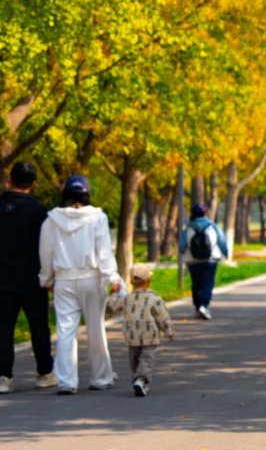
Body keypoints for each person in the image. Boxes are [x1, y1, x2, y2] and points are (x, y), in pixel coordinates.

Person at [39, 174, 123, 395]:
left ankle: (66, 381)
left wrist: (46, 279)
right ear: (87, 195)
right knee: (96, 329)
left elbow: (46, 251)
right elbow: (104, 252)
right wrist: (112, 277)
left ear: (65, 194)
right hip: (92, 280)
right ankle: (101, 378)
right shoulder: (98, 218)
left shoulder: (51, 220)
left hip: (64, 280)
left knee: (65, 331)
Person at [0, 162, 57, 394]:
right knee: (39, 326)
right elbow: (47, 248)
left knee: (3, 329)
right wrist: (50, 276)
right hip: (33, 280)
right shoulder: (39, 211)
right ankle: (44, 372)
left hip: (2, 281)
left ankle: (3, 376)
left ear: (10, 180)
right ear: (33, 184)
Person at [106, 263, 173, 397]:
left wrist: (114, 293)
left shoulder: (126, 299)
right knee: (146, 360)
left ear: (131, 282)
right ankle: (140, 379)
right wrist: (168, 331)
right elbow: (163, 316)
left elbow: (111, 307)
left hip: (132, 337)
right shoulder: (155, 299)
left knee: (135, 361)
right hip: (150, 337)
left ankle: (139, 379)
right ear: (149, 280)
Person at [179, 204, 228, 321]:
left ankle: (197, 308)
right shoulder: (212, 225)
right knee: (207, 283)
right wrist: (226, 252)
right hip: (210, 260)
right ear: (204, 213)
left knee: (196, 284)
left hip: (193, 261)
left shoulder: (188, 228)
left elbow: (182, 246)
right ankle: (204, 306)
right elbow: (221, 240)